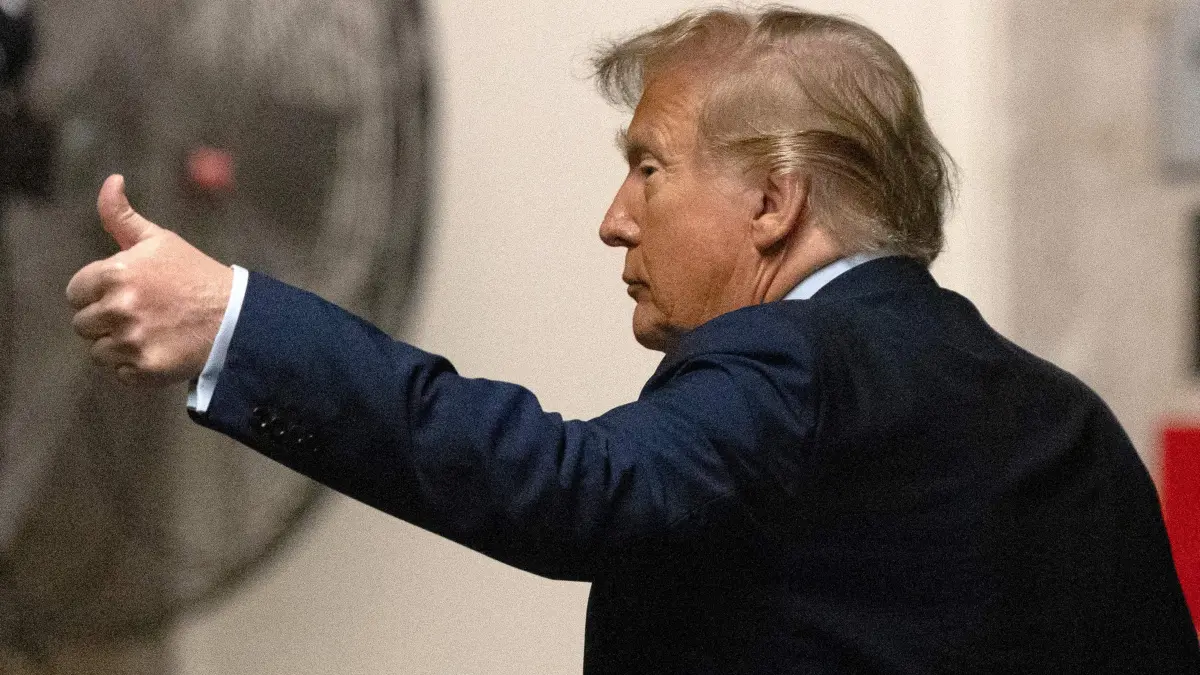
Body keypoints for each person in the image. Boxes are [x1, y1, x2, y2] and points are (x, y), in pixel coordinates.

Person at [65, 6, 1199, 673]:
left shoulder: (794, 359)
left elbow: (576, 487)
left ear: (774, 203)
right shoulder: (1064, 418)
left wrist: (233, 322)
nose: (614, 218)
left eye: (648, 168)